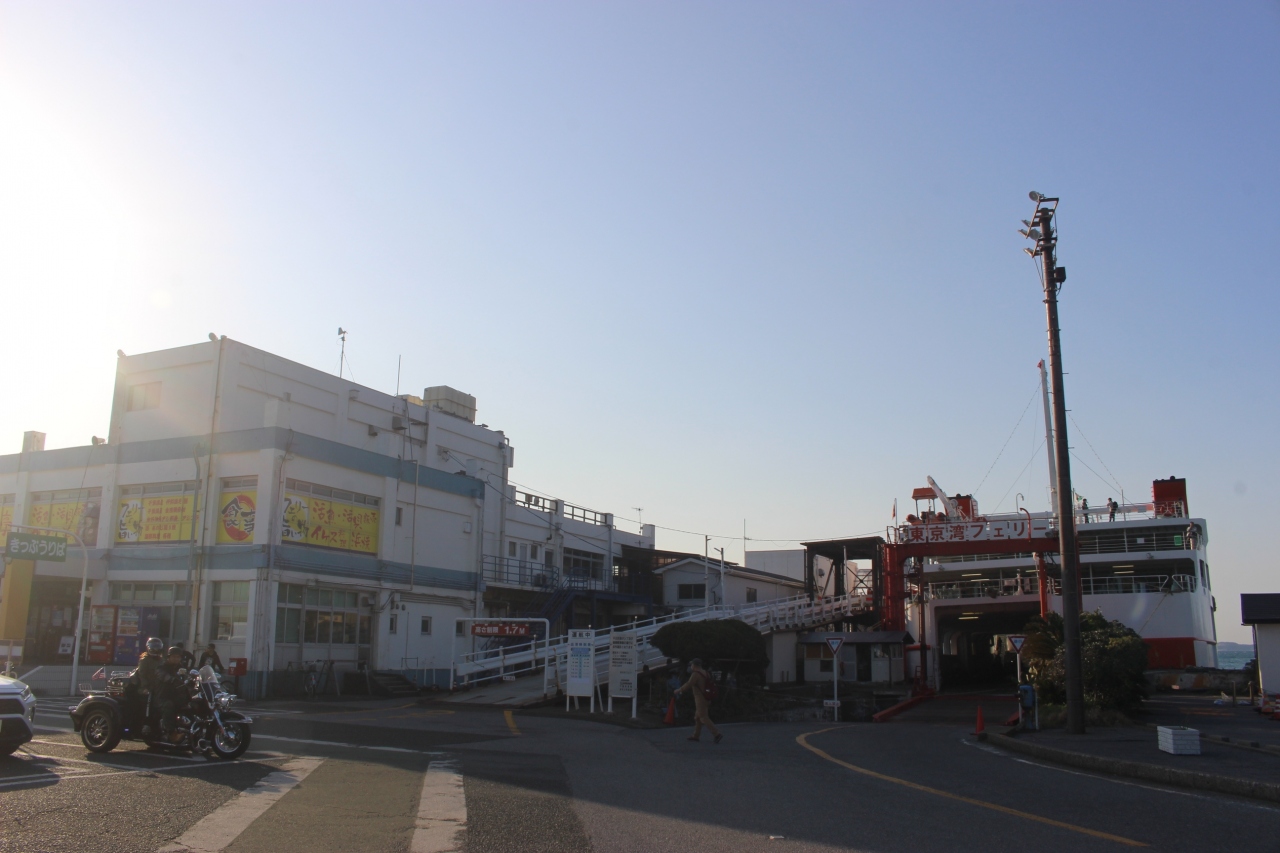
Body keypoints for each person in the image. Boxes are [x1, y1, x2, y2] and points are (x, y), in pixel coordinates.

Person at [673, 658, 722, 744]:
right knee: (698, 717)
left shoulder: (695, 674)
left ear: (694, 665)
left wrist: (679, 690)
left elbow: (689, 684)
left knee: (703, 717)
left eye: (691, 664)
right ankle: (696, 736)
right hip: (707, 697)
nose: (691, 666)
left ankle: (717, 734)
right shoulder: (706, 672)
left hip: (700, 698)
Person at [155, 646, 189, 743]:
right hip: (163, 696)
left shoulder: (181, 668)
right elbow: (162, 675)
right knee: (168, 705)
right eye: (174, 657)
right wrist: (171, 679)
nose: (176, 659)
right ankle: (171, 734)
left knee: (192, 703)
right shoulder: (162, 667)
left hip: (177, 696)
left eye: (178, 657)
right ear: (168, 657)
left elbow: (188, 676)